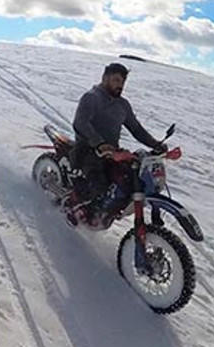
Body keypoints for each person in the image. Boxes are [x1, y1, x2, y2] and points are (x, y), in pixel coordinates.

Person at [69, 62, 167, 225]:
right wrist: (99, 144)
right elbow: (80, 123)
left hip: (112, 152)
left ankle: (111, 211)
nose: (120, 85)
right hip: (87, 150)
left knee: (130, 179)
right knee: (99, 186)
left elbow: (136, 128)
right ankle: (82, 211)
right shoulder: (91, 97)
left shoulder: (123, 104)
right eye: (116, 80)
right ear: (105, 78)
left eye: (122, 82)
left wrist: (155, 144)